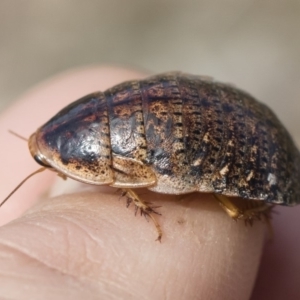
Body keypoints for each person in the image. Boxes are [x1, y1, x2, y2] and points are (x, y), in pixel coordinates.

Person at [0, 67, 299, 300]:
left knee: (234, 211)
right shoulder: (110, 113)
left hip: (253, 144)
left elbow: (125, 178)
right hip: (229, 111)